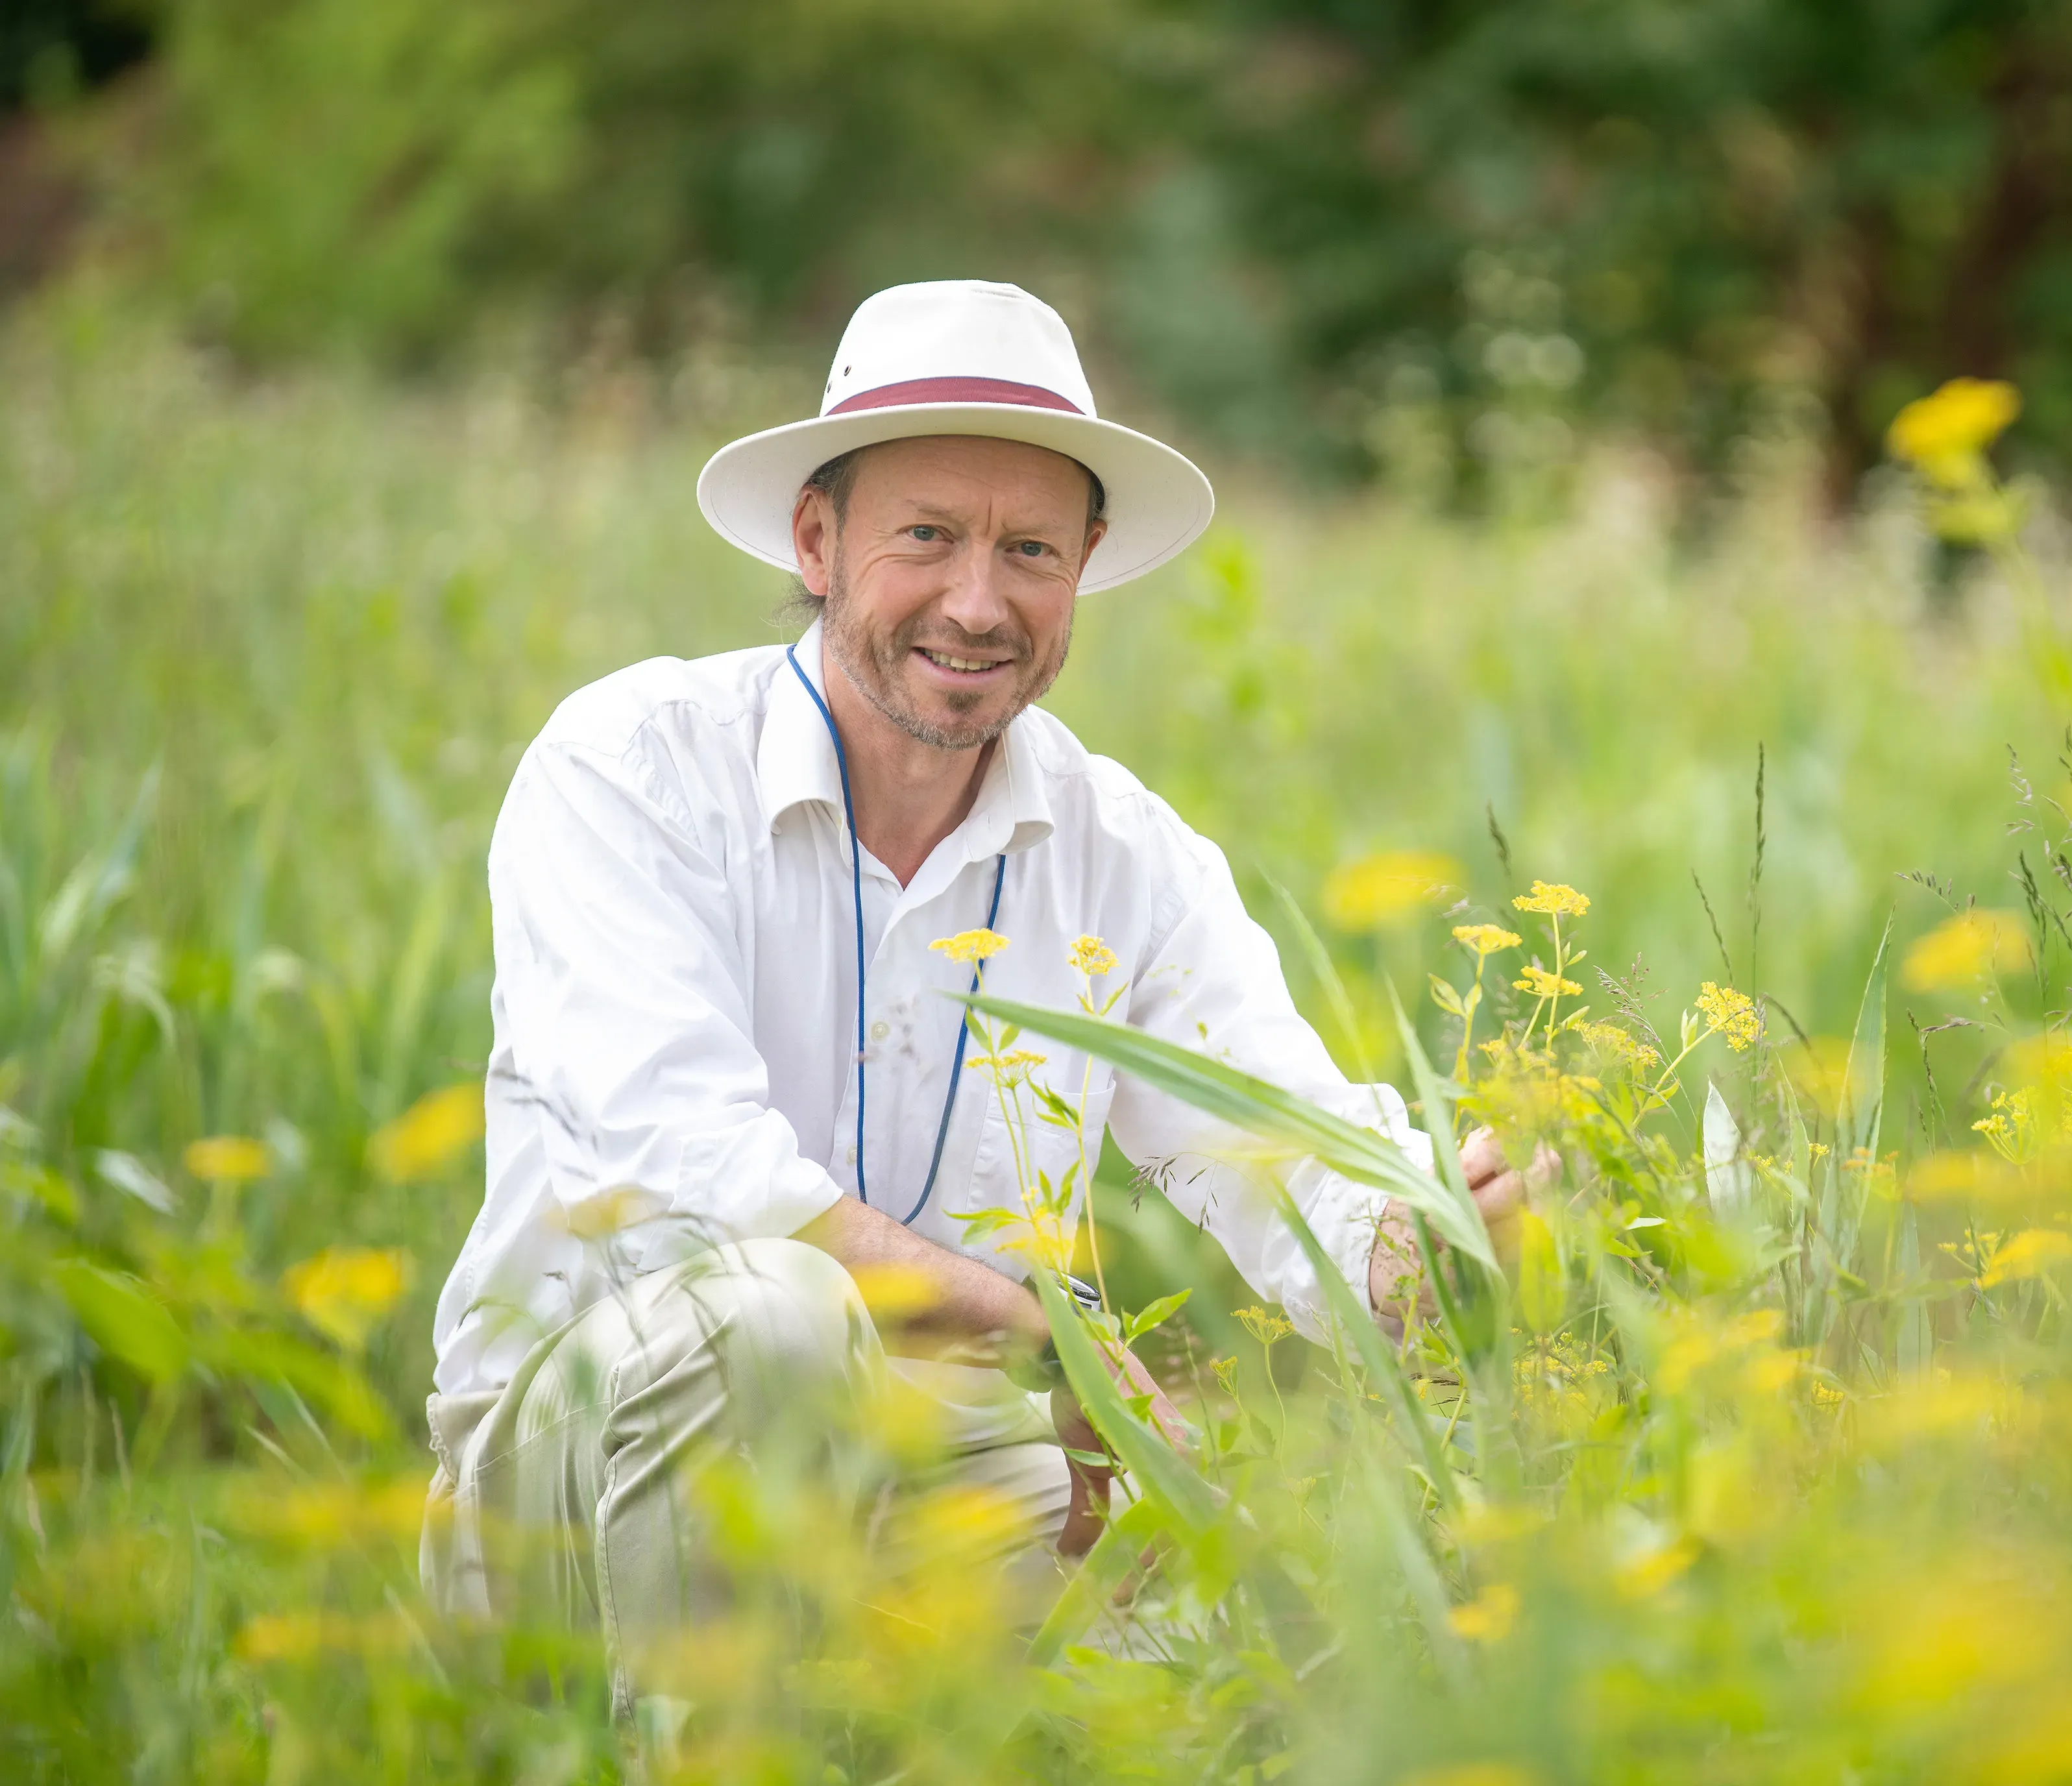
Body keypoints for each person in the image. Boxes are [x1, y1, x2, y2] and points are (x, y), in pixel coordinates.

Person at [418, 280, 1529, 1686]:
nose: (977, 601)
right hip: (573, 1482)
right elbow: (686, 1169)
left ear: (1087, 563)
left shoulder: (1125, 849)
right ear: (818, 540)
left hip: (949, 1458)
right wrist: (1040, 1332)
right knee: (773, 1312)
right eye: (927, 537)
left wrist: (1425, 1231)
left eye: (1029, 549)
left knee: (1249, 1622)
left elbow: (1280, 1143)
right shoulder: (629, 766)